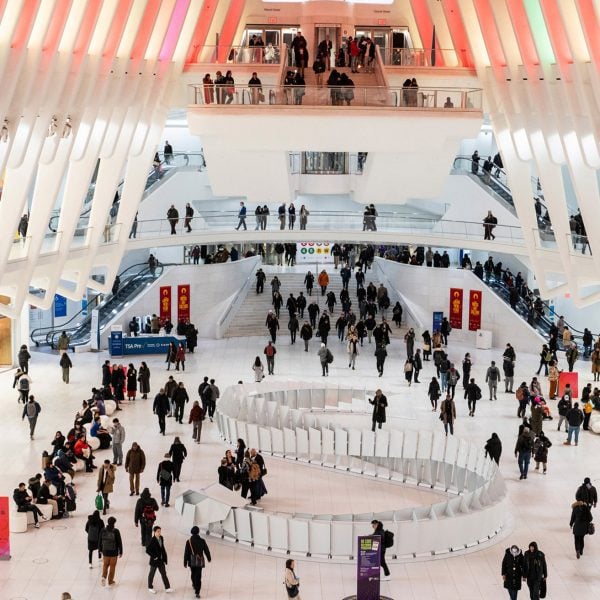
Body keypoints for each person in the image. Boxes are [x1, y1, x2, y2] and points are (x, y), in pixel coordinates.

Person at [184, 526, 212, 598]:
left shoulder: (189, 541)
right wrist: (209, 558)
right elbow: (206, 550)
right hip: (199, 561)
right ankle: (197, 592)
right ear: (198, 532)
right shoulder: (202, 541)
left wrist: (185, 562)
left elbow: (186, 553)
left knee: (193, 574)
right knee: (198, 576)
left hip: (191, 561)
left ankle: (194, 583)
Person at [146, 526, 173, 593]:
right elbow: (147, 550)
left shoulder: (161, 538)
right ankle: (150, 587)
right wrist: (154, 556)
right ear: (154, 532)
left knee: (164, 573)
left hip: (161, 560)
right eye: (158, 531)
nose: (159, 532)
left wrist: (164, 557)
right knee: (152, 574)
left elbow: (162, 548)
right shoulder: (152, 540)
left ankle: (167, 587)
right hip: (154, 561)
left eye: (160, 531)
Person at [99, 516, 123, 587]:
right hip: (113, 552)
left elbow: (100, 541)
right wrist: (121, 551)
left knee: (105, 565)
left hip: (105, 552)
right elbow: (119, 542)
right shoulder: (116, 531)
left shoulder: (103, 530)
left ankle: (103, 577)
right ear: (114, 523)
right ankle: (110, 581)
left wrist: (100, 550)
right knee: (112, 566)